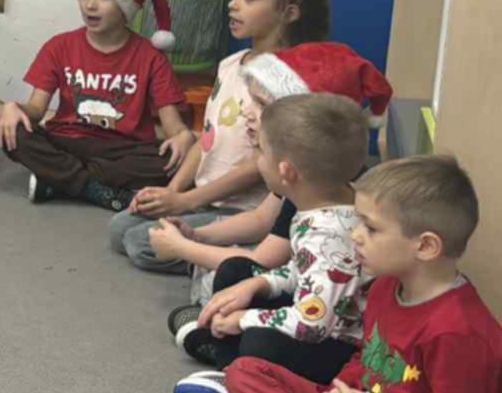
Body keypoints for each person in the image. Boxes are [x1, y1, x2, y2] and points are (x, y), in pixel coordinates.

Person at [222, 156, 502, 393]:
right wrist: (343, 392)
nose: (355, 235)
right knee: (245, 371)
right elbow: (364, 357)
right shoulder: (386, 287)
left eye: (370, 228)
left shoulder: (460, 333)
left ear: (425, 246)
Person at [153, 40, 394, 338]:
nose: (248, 113)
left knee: (237, 294)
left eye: (262, 105)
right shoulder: (311, 176)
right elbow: (263, 222)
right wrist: (195, 236)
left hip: (320, 323)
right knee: (226, 269)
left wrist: (182, 248)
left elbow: (266, 262)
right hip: (303, 288)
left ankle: (217, 332)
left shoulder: (319, 194)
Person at [117, 0, 329, 272]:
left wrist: (186, 202)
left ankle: (236, 255)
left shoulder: (286, 82)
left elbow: (260, 163)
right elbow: (207, 137)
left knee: (139, 242)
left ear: (289, 13)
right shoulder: (230, 65)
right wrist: (172, 193)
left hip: (244, 211)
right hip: (203, 198)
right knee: (119, 229)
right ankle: (207, 247)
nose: (232, 4)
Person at [170, 94, 369, 384]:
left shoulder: (329, 233)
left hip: (337, 343)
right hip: (316, 310)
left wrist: (244, 320)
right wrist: (260, 283)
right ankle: (227, 350)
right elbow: (304, 270)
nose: (258, 160)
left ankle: (235, 376)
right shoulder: (326, 203)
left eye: (261, 152)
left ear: (286, 171)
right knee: (237, 271)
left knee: (259, 342)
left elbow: (312, 324)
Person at [0, 0, 193, 209]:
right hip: (67, 141)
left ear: (127, 4)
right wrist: (13, 108)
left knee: (180, 157)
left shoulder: (151, 57)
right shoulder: (59, 46)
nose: (90, 5)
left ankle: (59, 180)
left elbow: (173, 128)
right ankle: (96, 189)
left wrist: (182, 136)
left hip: (123, 149)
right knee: (14, 134)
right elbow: (35, 109)